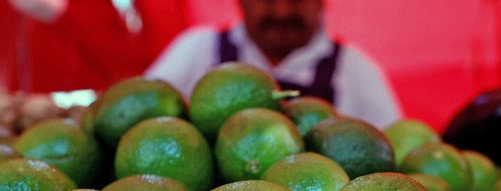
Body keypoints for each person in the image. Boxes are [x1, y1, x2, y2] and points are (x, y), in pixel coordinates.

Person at [145, 0, 402, 129]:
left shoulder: (358, 71)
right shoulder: (197, 49)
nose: (281, 11)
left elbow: (397, 157)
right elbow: (139, 116)